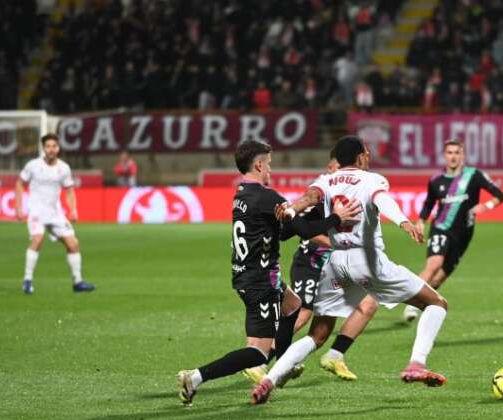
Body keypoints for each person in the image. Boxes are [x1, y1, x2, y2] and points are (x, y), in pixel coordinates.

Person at [250, 135, 450, 405]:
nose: (369, 158)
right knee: (436, 303)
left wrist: (290, 209)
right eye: (366, 153)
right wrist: (404, 222)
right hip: (367, 260)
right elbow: (382, 201)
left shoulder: (326, 180)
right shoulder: (372, 179)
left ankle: (269, 380)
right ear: (359, 158)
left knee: (318, 333)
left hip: (336, 263)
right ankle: (416, 363)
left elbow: (309, 198)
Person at [176, 140, 361, 406]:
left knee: (293, 305)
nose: (270, 170)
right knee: (258, 354)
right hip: (259, 281)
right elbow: (307, 233)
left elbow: (284, 233)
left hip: (251, 274)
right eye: (269, 164)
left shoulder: (242, 195)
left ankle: (284, 365)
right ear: (259, 164)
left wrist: (292, 218)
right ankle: (195, 377)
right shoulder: (267, 197)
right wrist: (336, 218)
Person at [244, 151, 379, 383]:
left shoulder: (352, 191)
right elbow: (302, 230)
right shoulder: (319, 195)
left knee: (368, 303)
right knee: (303, 312)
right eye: (339, 169)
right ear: (331, 169)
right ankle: (262, 360)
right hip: (311, 263)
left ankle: (334, 355)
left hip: (336, 266)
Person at [403, 140, 503, 322]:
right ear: (445, 156)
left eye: (457, 152)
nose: (453, 156)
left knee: (437, 281)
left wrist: (486, 206)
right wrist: (420, 221)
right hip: (441, 228)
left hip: (464, 235)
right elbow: (428, 204)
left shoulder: (474, 175)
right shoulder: (436, 180)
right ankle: (411, 306)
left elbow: (499, 195)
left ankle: (420, 306)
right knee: (433, 265)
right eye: (450, 152)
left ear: (463, 156)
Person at [15, 133, 95, 294]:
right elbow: (19, 183)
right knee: (37, 240)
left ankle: (77, 282)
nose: (51, 149)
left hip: (55, 213)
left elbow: (69, 190)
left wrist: (73, 209)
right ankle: (27, 280)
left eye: (54, 146)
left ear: (58, 148)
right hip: (37, 212)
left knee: (73, 243)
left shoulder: (64, 168)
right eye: (48, 146)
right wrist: (18, 207)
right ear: (43, 148)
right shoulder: (33, 166)